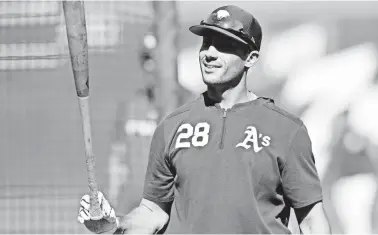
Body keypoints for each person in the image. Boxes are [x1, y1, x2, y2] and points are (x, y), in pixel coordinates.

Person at [77, 5, 331, 234]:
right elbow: (152, 213)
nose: (209, 53)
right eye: (206, 43)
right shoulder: (171, 126)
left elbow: (311, 221)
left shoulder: (286, 129)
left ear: (250, 58)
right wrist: (115, 225)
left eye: (223, 45)